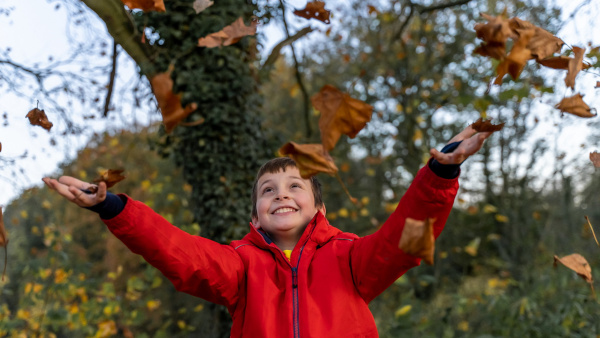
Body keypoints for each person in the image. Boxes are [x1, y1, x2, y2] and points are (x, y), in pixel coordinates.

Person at [42, 125, 491, 337]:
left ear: (319, 207)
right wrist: (112, 206)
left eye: (296, 187)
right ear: (255, 217)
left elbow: (405, 241)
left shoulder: (350, 260)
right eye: (268, 190)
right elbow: (179, 252)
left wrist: (438, 174)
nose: (282, 195)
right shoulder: (239, 267)